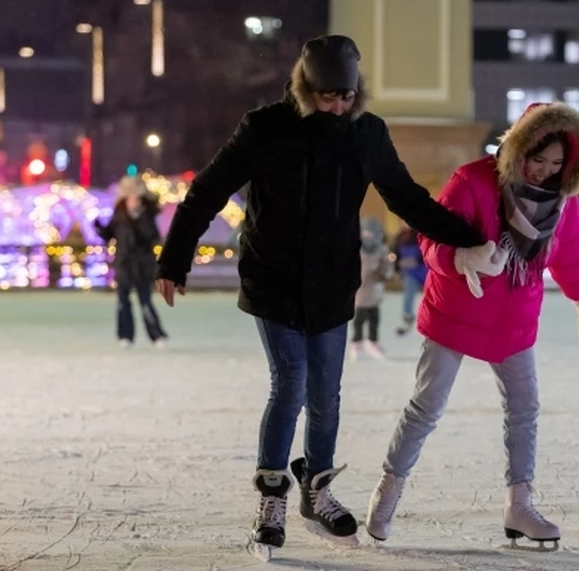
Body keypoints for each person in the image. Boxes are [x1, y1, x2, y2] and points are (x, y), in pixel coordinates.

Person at [155, 35, 495, 555]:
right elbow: (207, 190)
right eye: (327, 96)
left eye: (347, 96)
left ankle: (317, 490)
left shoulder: (367, 135)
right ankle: (271, 495)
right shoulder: (265, 128)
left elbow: (409, 200)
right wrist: (175, 259)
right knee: (290, 381)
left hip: (333, 280)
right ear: (305, 88)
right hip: (273, 277)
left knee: (327, 393)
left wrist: (470, 239)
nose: (338, 106)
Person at [365, 102, 579, 551]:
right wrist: (461, 258)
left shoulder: (564, 205)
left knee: (524, 409)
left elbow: (570, 257)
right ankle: (388, 490)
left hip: (513, 320)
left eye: (557, 164)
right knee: (426, 406)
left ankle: (520, 504)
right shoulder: (472, 181)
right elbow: (431, 237)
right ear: (519, 147)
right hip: (457, 311)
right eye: (538, 159)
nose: (545, 172)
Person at [95, 176, 168, 348]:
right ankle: (125, 335)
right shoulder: (119, 213)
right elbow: (109, 235)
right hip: (124, 264)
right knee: (123, 301)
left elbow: (153, 236)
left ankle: (156, 335)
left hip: (143, 265)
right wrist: (99, 228)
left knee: (145, 301)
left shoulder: (147, 214)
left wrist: (139, 218)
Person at [349, 217, 393, 361]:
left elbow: (386, 270)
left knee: (374, 317)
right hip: (360, 289)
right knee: (359, 318)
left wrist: (385, 270)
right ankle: (356, 342)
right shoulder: (357, 249)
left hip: (374, 289)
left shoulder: (381, 249)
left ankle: (373, 341)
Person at [391, 224, 427, 336]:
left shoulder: (421, 234)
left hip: (424, 271)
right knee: (408, 294)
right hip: (410, 273)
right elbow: (395, 254)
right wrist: (397, 269)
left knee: (431, 295)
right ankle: (407, 317)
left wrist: (418, 261)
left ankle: (430, 319)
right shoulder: (399, 237)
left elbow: (426, 251)